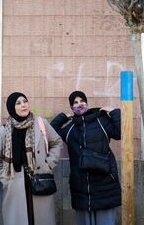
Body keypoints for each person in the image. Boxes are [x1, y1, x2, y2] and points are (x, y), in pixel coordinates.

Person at [0, 92, 63, 225]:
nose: (23, 105)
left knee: (42, 219)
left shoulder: (41, 123)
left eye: (25, 101)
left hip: (40, 179)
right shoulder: (4, 130)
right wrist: (5, 179)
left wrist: (49, 164)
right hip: (14, 184)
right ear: (12, 107)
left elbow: (57, 142)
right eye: (18, 103)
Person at [50, 91, 121, 225]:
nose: (79, 105)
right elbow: (51, 133)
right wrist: (63, 117)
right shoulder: (70, 129)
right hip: (81, 186)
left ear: (87, 103)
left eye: (82, 101)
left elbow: (120, 133)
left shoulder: (101, 121)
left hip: (104, 183)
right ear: (72, 108)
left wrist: (114, 112)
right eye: (75, 103)